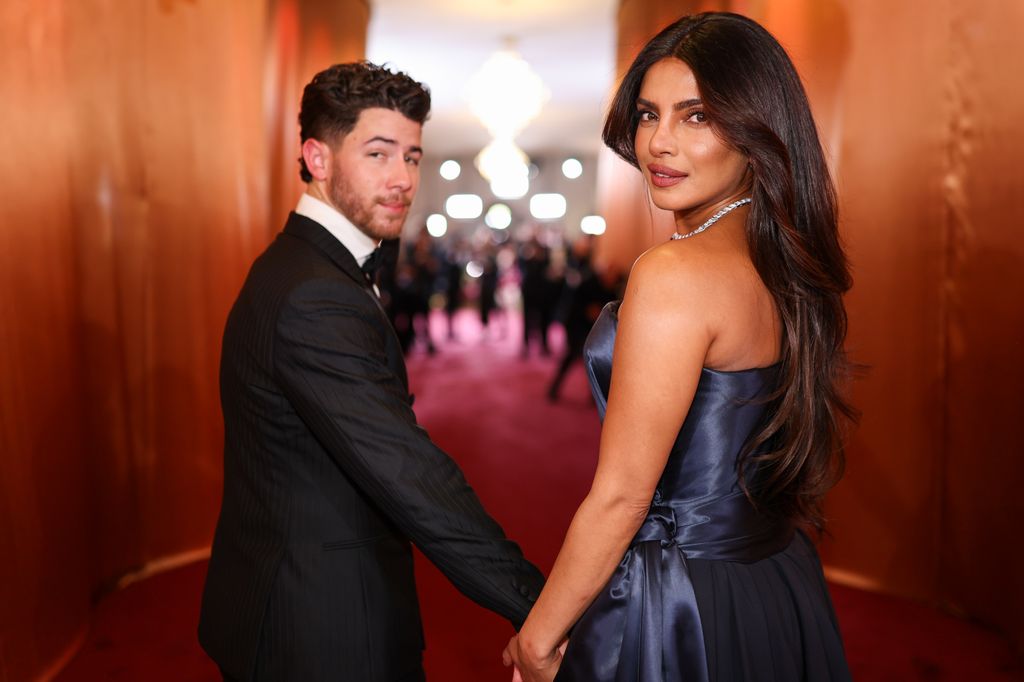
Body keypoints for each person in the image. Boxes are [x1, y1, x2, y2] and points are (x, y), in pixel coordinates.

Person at [503, 12, 854, 681]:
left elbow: (622, 498)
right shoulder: (782, 262)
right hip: (773, 578)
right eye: (648, 115)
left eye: (696, 116)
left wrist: (537, 641)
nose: (658, 143)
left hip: (680, 601)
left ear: (755, 127)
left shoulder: (674, 273)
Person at [198, 61, 544, 682]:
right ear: (318, 158)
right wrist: (539, 609)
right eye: (378, 154)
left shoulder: (302, 265)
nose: (403, 178)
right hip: (317, 626)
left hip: (292, 597)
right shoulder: (314, 294)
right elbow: (408, 471)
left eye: (412, 157)